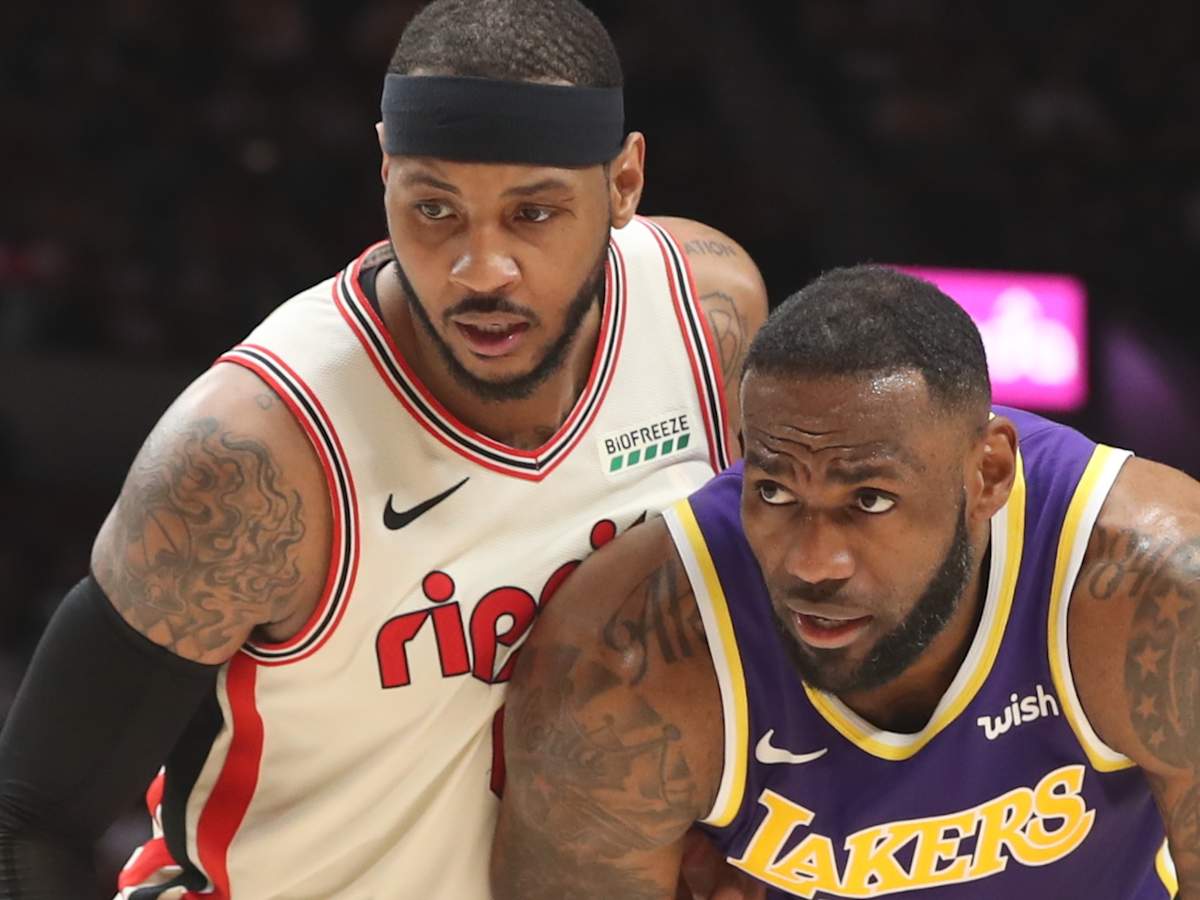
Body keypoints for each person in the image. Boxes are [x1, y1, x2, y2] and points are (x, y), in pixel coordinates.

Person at [0, 1, 770, 897]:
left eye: (533, 213)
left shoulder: (705, 316)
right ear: (385, 173)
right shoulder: (252, 454)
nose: (481, 269)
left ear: (625, 183)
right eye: (434, 209)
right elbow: (28, 820)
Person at [493, 264, 1200, 899]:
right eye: (774, 492)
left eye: (869, 500)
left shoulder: (1155, 588)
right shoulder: (632, 655)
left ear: (988, 476)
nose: (812, 562)